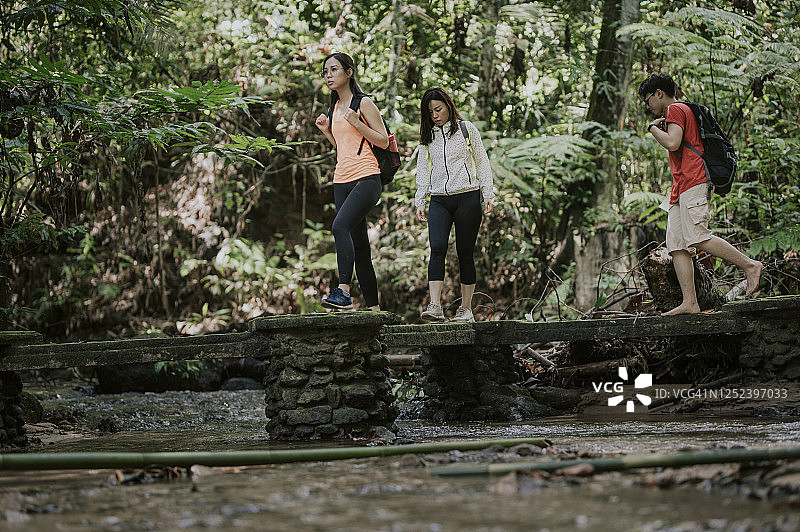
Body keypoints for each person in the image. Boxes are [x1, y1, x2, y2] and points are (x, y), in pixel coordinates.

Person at [639, 73, 762, 316]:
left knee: (697, 237)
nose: (647, 105)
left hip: (694, 181)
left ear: (659, 94)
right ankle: (690, 302)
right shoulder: (681, 111)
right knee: (676, 245)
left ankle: (750, 265)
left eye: (648, 99)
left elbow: (673, 143)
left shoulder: (675, 109)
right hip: (679, 187)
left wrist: (652, 128)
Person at [314, 52, 388, 311]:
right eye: (325, 71)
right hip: (341, 179)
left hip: (367, 177)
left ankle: (343, 291)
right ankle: (374, 310)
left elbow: (382, 140)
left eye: (334, 69)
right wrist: (327, 132)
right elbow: (343, 146)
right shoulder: (334, 108)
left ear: (349, 72)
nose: (329, 75)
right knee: (361, 248)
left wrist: (358, 122)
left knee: (339, 227)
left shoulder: (363, 103)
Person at [414, 87, 494, 323]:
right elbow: (423, 170)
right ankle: (435, 306)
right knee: (437, 248)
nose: (435, 115)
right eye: (430, 112)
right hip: (439, 200)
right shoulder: (428, 136)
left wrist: (487, 193)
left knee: (465, 253)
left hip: (467, 197)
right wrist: (420, 198)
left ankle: (466, 309)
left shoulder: (466, 130)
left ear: (448, 105)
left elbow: (482, 162)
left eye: (438, 109)